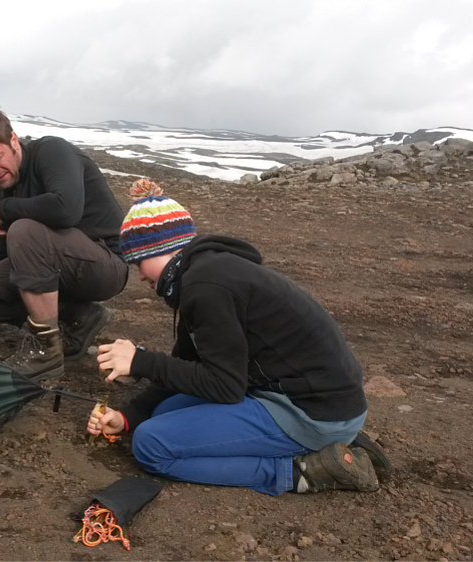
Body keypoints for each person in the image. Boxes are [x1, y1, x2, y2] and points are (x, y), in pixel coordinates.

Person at [87, 179, 383, 495]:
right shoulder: (203, 272)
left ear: (160, 249)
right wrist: (127, 417)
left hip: (314, 413)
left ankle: (300, 471)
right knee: (161, 413)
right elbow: (187, 363)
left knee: (151, 445)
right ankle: (330, 440)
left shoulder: (207, 287)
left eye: (138, 262)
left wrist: (140, 361)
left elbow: (225, 386)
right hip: (315, 399)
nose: (141, 275)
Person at [0, 108, 129, 380]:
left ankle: (45, 350)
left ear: (13, 140)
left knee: (24, 229)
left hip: (104, 265)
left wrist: (7, 209)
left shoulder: (52, 151)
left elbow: (66, 209)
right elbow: (1, 258)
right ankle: (80, 315)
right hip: (59, 271)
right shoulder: (3, 195)